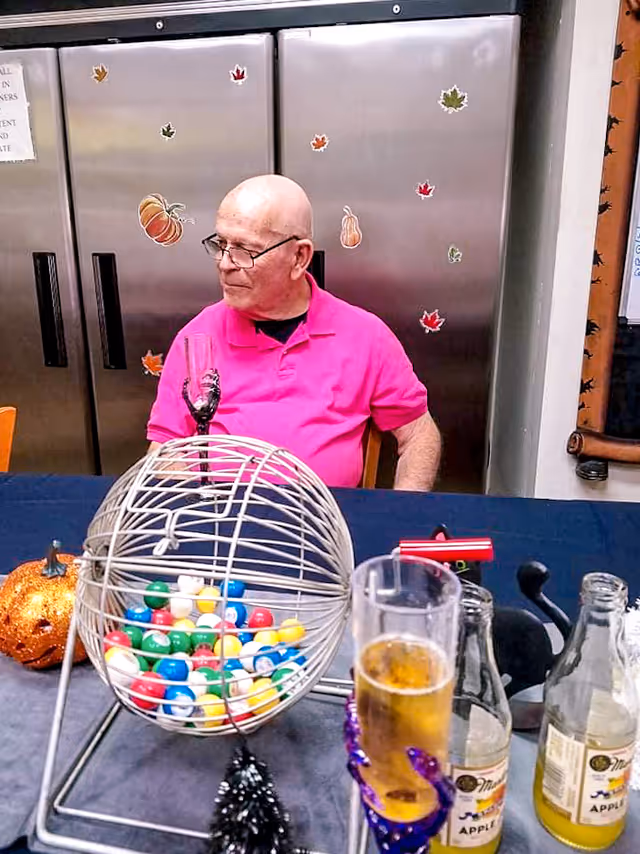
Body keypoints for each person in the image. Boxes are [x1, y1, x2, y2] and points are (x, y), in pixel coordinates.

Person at [147, 175, 441, 490]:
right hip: (223, 521)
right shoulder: (198, 337)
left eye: (245, 250)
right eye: (221, 244)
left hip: (327, 526)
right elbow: (165, 446)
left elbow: (419, 434)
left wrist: (406, 512)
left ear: (299, 257)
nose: (224, 263)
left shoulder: (366, 336)